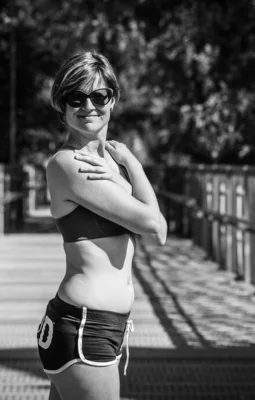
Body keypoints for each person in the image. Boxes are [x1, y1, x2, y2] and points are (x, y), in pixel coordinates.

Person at [36, 50, 168, 400]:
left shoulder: (111, 163)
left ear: (113, 99)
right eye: (75, 97)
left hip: (103, 327)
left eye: (98, 96)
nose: (88, 106)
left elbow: (160, 238)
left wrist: (126, 163)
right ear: (61, 105)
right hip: (84, 327)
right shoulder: (68, 164)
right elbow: (152, 223)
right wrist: (131, 170)